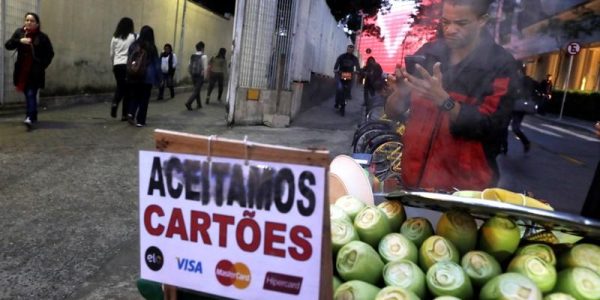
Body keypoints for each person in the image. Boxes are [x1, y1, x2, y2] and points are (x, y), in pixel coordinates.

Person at [385, 0, 519, 191]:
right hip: (412, 181)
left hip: (464, 192)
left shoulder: (500, 64)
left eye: (461, 23)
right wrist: (400, 93)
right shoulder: (427, 54)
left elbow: (492, 126)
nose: (450, 30)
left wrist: (445, 101)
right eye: (445, 22)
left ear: (482, 20)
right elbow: (392, 112)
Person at [4, 12, 54, 130]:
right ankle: (34, 114)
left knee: (31, 93)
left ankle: (29, 117)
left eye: (32, 21)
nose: (29, 22)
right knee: (28, 94)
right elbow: (8, 45)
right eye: (27, 20)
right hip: (22, 72)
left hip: (35, 72)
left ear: (37, 24)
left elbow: (50, 53)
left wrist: (42, 65)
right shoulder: (20, 33)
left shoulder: (42, 37)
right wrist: (19, 41)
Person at [126, 25, 160, 127]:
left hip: (135, 74)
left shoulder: (134, 45)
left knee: (135, 96)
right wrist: (159, 78)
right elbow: (156, 64)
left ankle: (131, 113)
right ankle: (140, 121)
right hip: (147, 77)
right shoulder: (152, 47)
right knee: (144, 99)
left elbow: (129, 58)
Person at [109, 17, 136, 121]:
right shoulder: (132, 37)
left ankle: (115, 102)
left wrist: (114, 64)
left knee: (120, 86)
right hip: (127, 65)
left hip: (117, 65)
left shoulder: (114, 38)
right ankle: (124, 114)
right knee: (128, 90)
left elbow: (112, 53)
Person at [333, 44, 360, 116]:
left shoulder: (354, 58)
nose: (350, 51)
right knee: (339, 88)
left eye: (351, 50)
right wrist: (336, 69)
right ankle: (337, 102)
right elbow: (336, 65)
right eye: (349, 49)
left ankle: (346, 97)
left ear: (353, 50)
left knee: (348, 89)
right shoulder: (341, 56)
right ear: (347, 49)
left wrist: (357, 71)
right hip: (340, 74)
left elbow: (358, 67)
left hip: (349, 76)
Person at [185, 41, 208, 110]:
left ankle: (199, 104)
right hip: (200, 76)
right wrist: (205, 77)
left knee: (197, 89)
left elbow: (189, 66)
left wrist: (191, 73)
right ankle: (189, 103)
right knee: (196, 90)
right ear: (202, 48)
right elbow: (205, 68)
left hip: (193, 75)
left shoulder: (193, 56)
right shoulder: (204, 56)